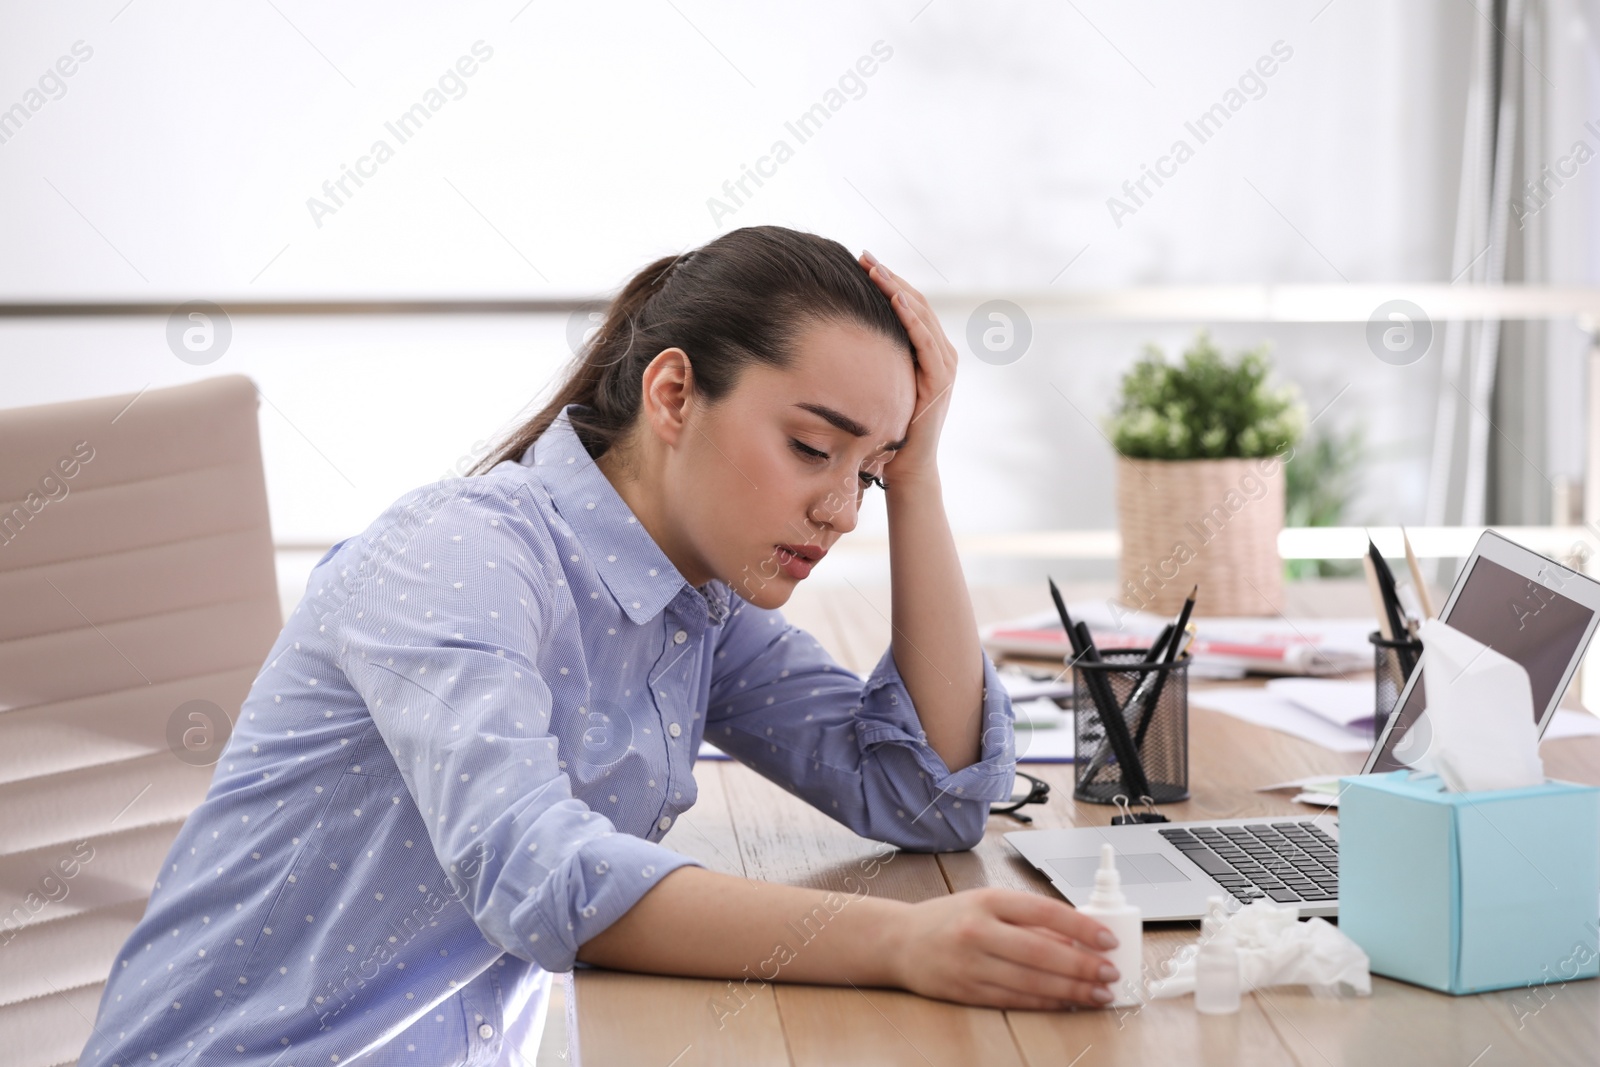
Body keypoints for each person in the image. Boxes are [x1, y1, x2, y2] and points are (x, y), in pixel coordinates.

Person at [78, 225, 1120, 1067]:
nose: (842, 506)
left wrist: (921, 476)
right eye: (812, 447)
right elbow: (539, 874)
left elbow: (923, 792)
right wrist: (901, 941)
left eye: (870, 468)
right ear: (673, 395)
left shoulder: (694, 601)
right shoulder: (459, 555)